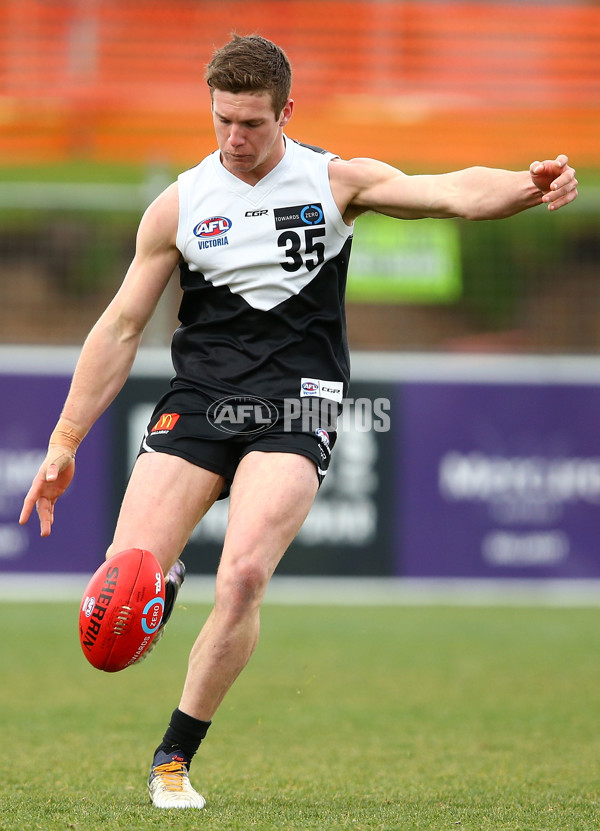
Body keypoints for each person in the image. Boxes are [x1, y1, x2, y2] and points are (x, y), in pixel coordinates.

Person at [19, 34, 578, 810]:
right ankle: (167, 569)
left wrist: (526, 182)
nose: (236, 140)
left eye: (252, 123)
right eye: (222, 121)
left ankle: (173, 758)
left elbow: (448, 191)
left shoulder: (333, 180)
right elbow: (118, 328)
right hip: (201, 400)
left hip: (300, 400)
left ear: (287, 111)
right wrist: (65, 439)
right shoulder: (180, 202)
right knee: (124, 586)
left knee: (244, 573)